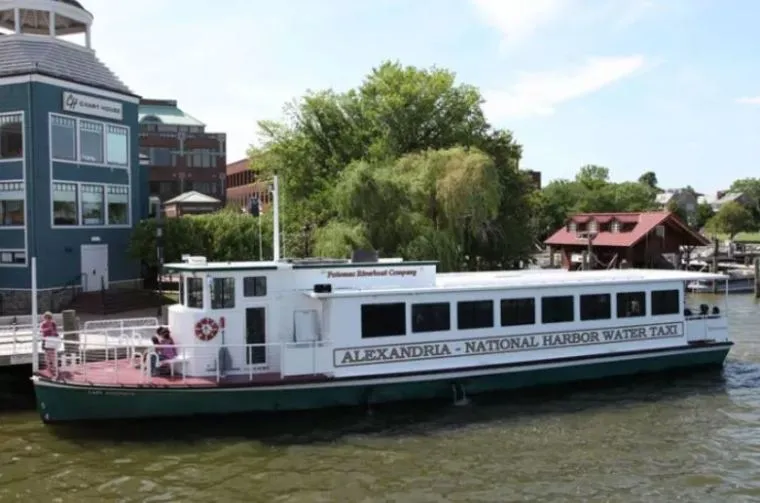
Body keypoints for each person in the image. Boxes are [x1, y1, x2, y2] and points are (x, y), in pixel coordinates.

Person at [40, 312, 60, 376]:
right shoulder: (43, 323)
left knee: (52, 354)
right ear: (44, 318)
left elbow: (56, 331)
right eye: (47, 318)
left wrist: (54, 332)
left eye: (49, 318)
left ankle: (54, 367)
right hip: (46, 340)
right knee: (46, 354)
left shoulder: (53, 323)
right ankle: (48, 367)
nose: (48, 319)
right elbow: (41, 330)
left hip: (52, 340)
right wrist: (48, 329)